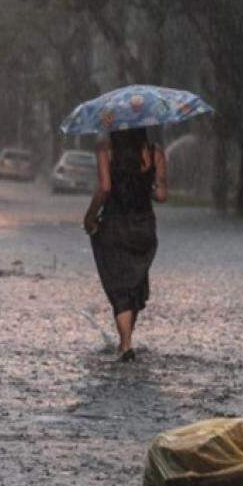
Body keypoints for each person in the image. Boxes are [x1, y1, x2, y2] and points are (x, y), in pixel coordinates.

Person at [82, 127, 167, 362]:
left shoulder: (105, 149)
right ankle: (126, 340)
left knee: (119, 286)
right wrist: (143, 184)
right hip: (144, 228)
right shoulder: (154, 151)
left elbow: (105, 188)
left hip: (115, 225)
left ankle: (126, 344)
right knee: (134, 283)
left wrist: (89, 217)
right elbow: (161, 195)